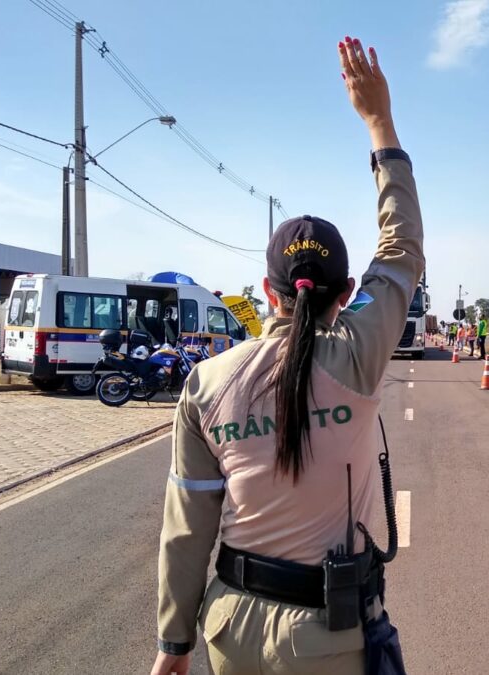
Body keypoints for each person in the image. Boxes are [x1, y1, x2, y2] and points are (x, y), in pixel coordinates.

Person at [150, 36, 419, 675]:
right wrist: (379, 124)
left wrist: (172, 644)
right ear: (348, 294)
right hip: (329, 635)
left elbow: (187, 527)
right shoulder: (359, 352)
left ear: (267, 291)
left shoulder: (206, 383)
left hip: (229, 628)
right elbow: (402, 246)